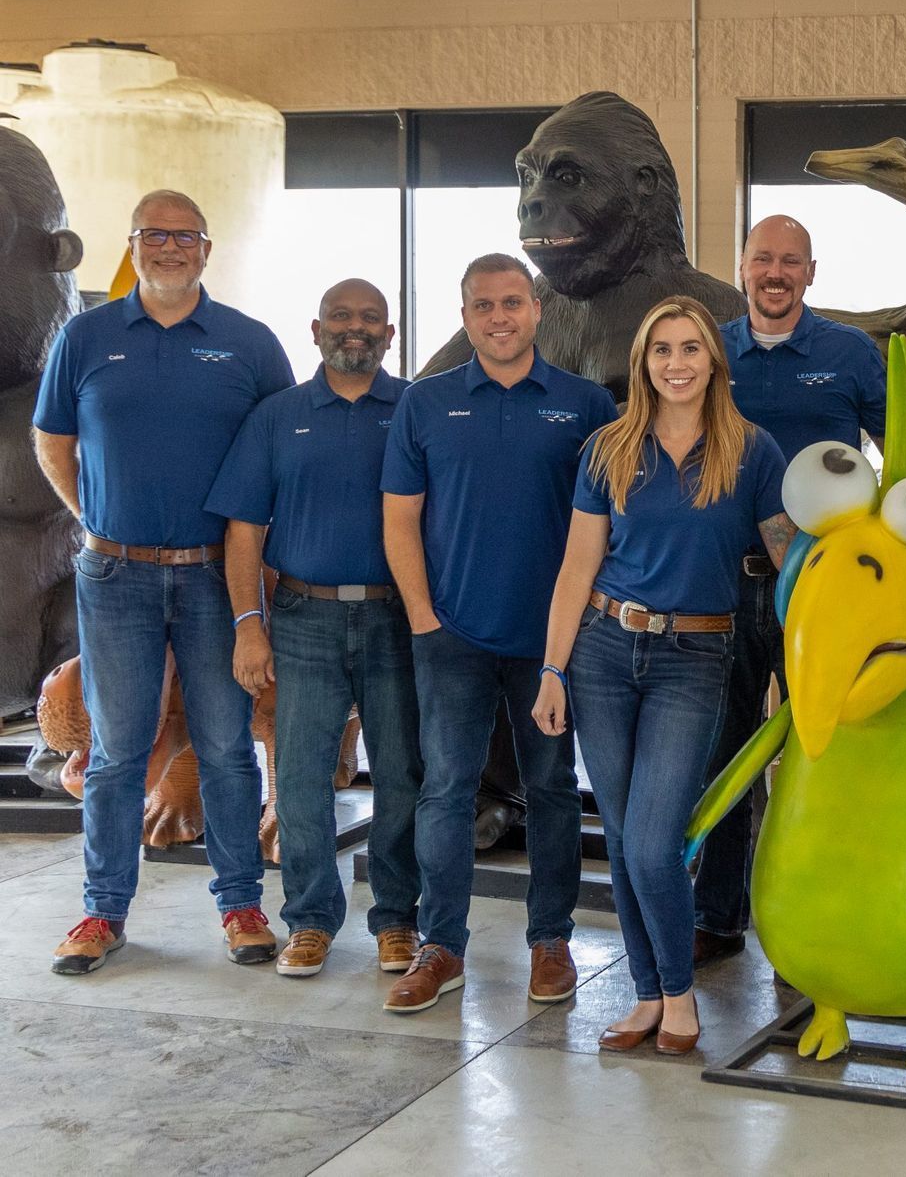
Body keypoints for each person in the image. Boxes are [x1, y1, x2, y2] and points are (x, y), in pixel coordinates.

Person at [33, 189, 294, 974]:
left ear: (206, 251)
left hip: (219, 579)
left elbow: (282, 458)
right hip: (115, 577)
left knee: (223, 745)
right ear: (134, 243)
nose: (169, 247)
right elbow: (54, 446)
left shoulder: (249, 344)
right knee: (117, 752)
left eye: (185, 236)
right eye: (154, 234)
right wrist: (102, 522)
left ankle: (242, 905)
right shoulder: (86, 336)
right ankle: (102, 913)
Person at [533, 295, 794, 1054]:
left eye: (690, 348)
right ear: (644, 364)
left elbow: (789, 560)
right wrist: (552, 669)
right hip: (603, 652)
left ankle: (679, 996)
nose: (676, 363)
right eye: (661, 350)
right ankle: (646, 996)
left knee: (654, 841)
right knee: (620, 836)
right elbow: (578, 565)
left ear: (715, 360)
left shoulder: (753, 452)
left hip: (697, 657)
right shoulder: (609, 448)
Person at [379, 254, 618, 1014]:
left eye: (512, 302)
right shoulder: (426, 403)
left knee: (550, 788)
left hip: (551, 644)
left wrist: (576, 631)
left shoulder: (585, 405)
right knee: (446, 788)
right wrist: (422, 616)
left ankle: (550, 940)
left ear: (537, 310)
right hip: (451, 636)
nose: (499, 317)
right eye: (483, 306)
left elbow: (609, 525)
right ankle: (441, 944)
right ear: (465, 316)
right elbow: (399, 518)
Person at [205, 280, 422, 979]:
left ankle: (396, 920)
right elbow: (243, 530)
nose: (353, 328)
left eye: (369, 319)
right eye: (340, 317)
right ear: (315, 328)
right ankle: (309, 921)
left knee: (400, 774)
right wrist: (248, 625)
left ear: (390, 334)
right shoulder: (277, 416)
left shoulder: (418, 410)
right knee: (298, 779)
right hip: (302, 618)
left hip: (398, 617)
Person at [696, 215, 884, 967]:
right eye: (762, 259)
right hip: (721, 587)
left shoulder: (850, 353)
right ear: (742, 268)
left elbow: (902, 453)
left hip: (823, 594)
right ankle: (717, 916)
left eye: (790, 262)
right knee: (725, 756)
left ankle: (827, 918)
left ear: (812, 273)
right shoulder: (707, 349)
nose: (775, 273)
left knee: (827, 756)